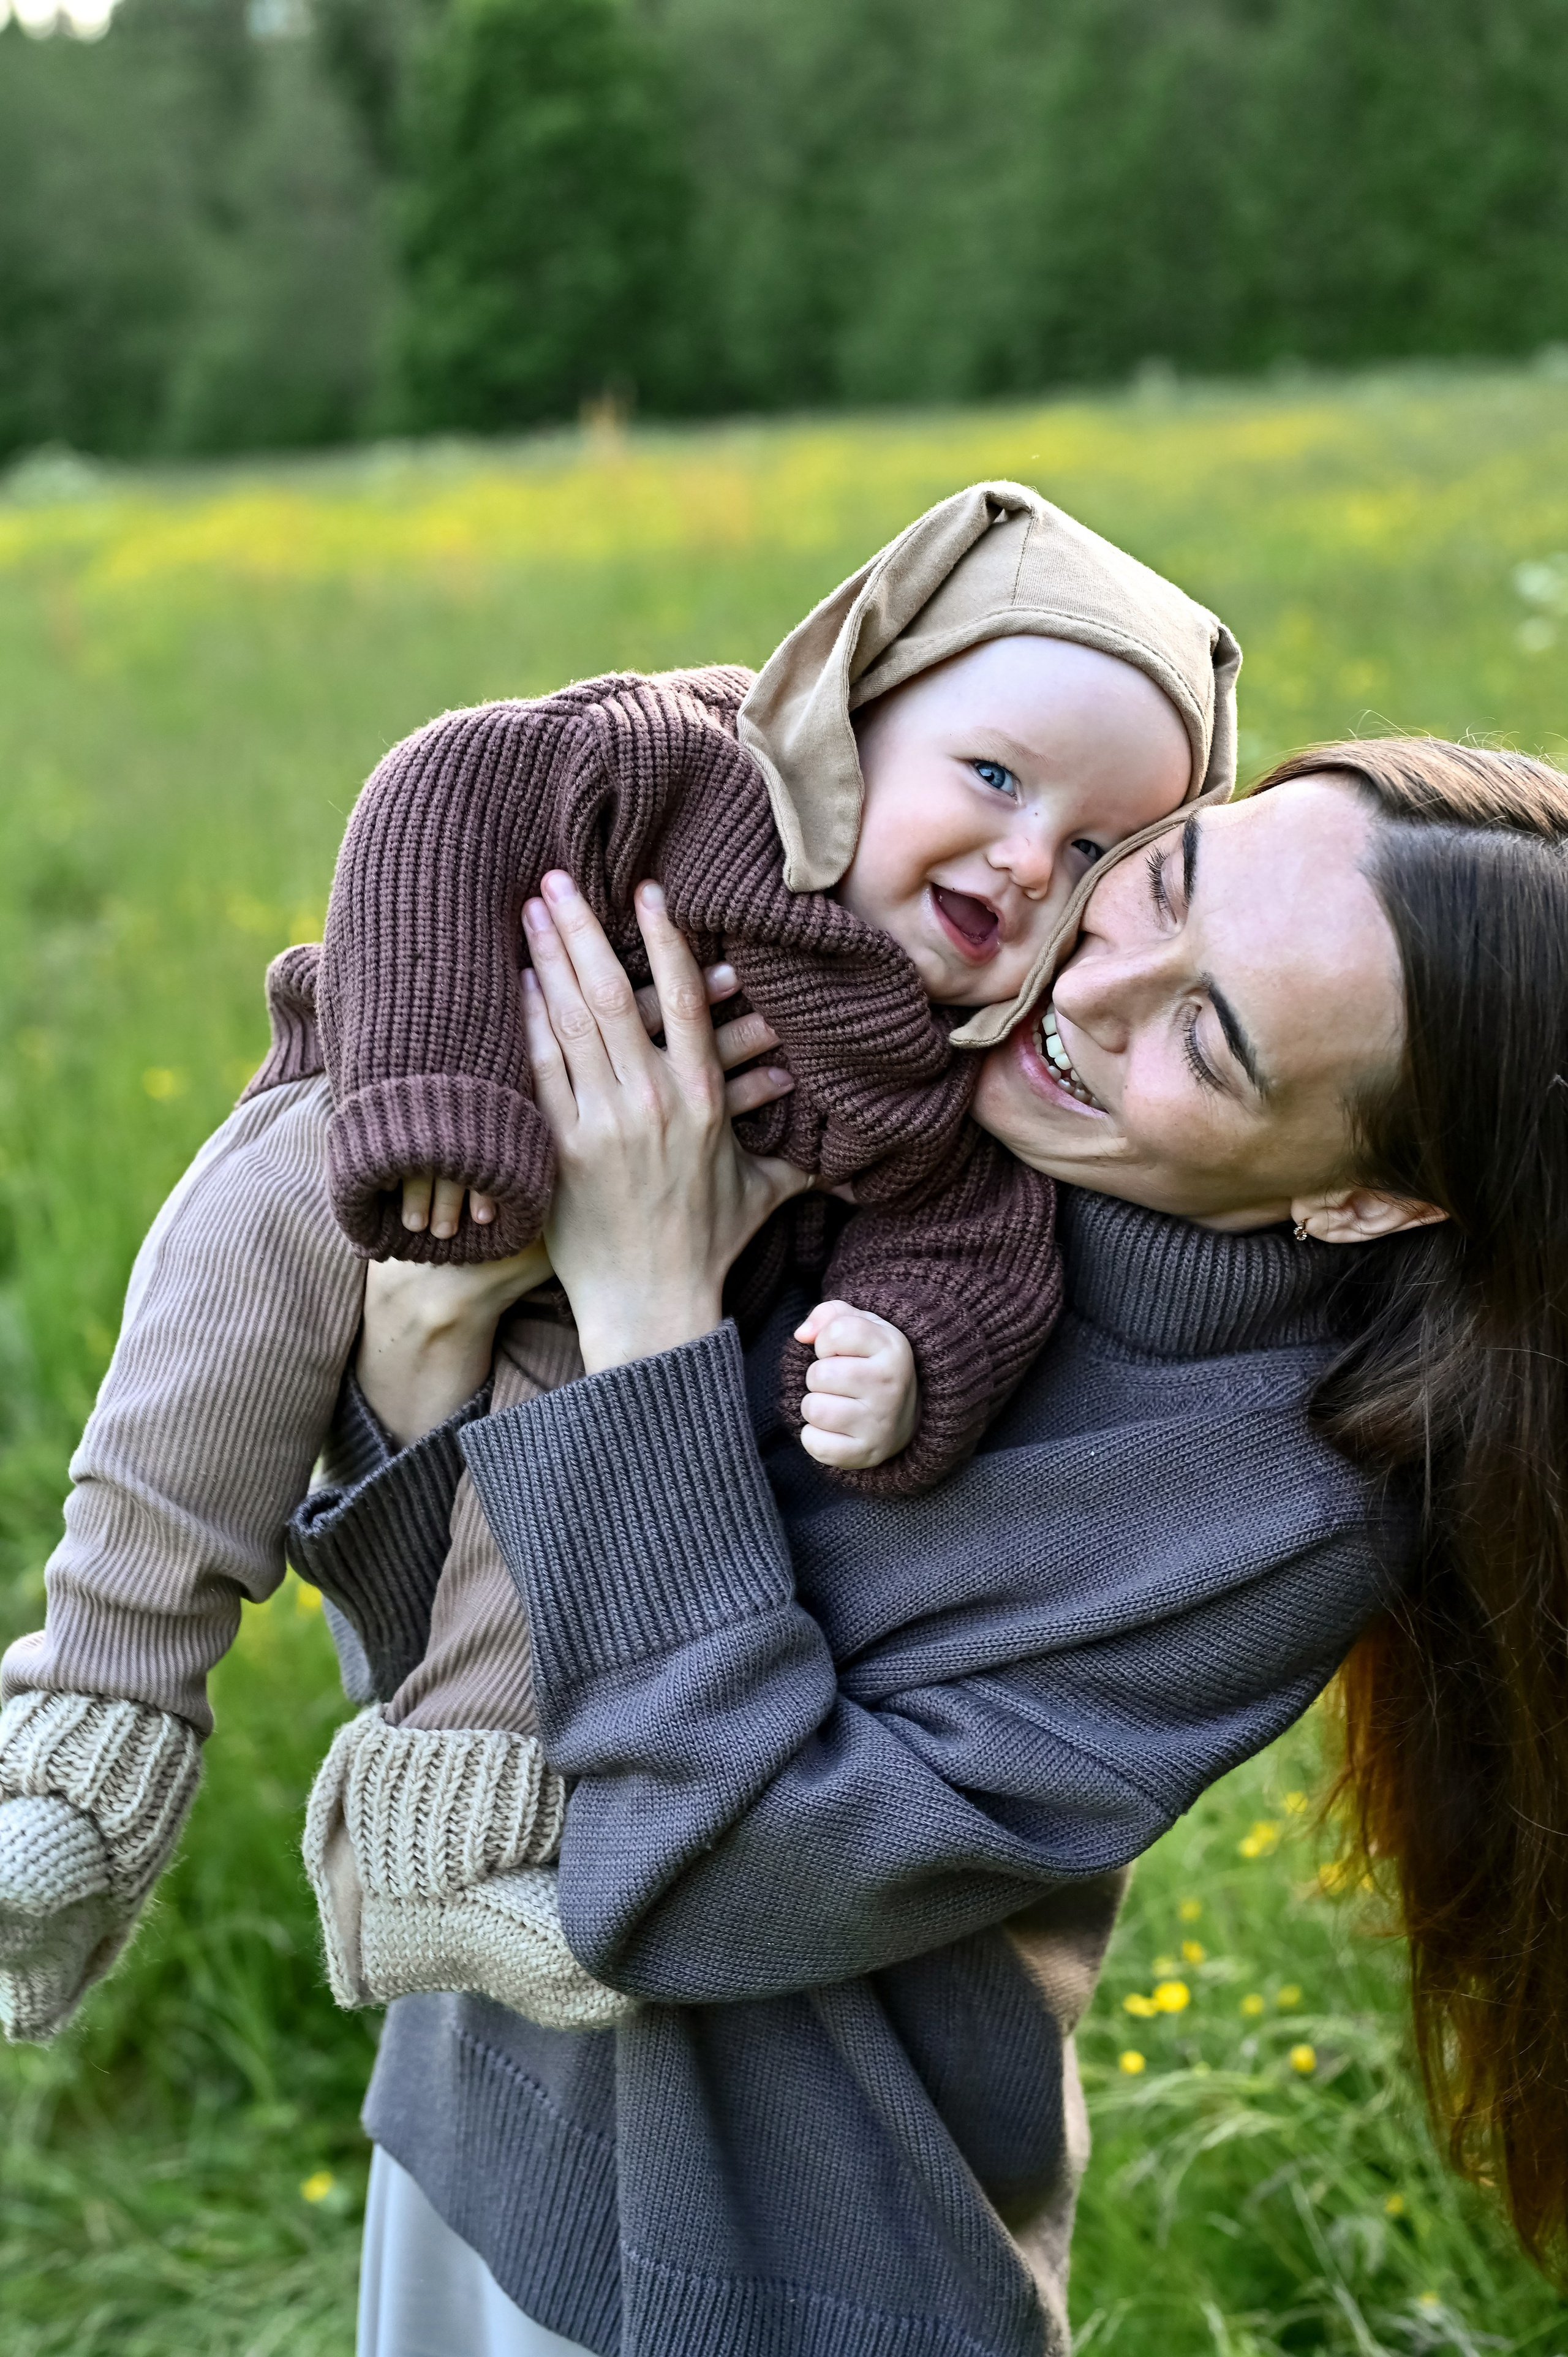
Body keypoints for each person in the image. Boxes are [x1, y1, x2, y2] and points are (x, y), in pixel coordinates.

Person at [282, 736, 1568, 2356]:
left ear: (1367, 1202)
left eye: (1208, 1038)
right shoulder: (857, 1108)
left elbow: (708, 1885)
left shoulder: (1271, 1514)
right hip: (469, 2133)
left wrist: (651, 1313)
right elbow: (445, 1682)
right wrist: (427, 1328)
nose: (1093, 986)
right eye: (1167, 882)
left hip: (773, 2284)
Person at [0, 480, 1239, 2041]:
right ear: (844, 706)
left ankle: (437, 1834)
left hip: (602, 1298)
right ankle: (91, 1720)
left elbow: (968, 1246)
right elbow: (440, 793)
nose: (1020, 855)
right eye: (989, 776)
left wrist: (908, 1355)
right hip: (381, 1133)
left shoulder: (954, 1069)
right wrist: (442, 1091)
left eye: (1094, 852)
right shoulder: (684, 767)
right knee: (232, 1314)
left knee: (573, 1478)